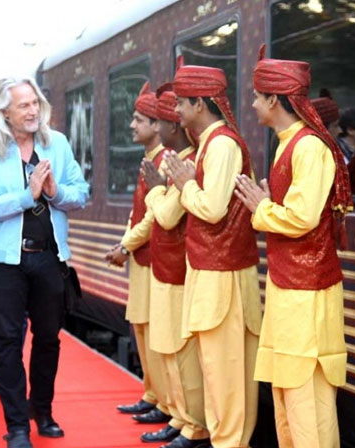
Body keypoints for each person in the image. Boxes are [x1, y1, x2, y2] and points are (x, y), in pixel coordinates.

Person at [234, 45, 352, 448]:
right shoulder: (288, 143)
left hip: (309, 291)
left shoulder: (308, 147)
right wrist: (268, 205)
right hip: (291, 287)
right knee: (287, 395)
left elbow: (302, 218)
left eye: (257, 96)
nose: (252, 104)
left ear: (274, 99)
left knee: (306, 400)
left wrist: (262, 207)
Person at [0, 77, 89, 448]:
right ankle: (17, 425)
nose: (33, 110)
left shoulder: (58, 143)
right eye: (24, 105)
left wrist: (55, 192)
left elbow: (81, 194)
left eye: (35, 103)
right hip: (5, 262)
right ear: (5, 112)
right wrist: (26, 196)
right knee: (7, 342)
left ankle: (43, 411)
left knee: (48, 338)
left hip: (49, 257)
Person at [163, 60, 261, 448]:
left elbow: (213, 208)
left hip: (223, 273)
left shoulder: (221, 145)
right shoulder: (210, 143)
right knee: (216, 371)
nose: (176, 111)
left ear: (200, 104)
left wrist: (185, 185)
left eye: (180, 103)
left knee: (226, 373)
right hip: (212, 270)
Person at [139, 82, 210, 448]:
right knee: (167, 348)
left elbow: (167, 216)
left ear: (170, 127)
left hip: (180, 269)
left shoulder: (188, 162)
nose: (161, 126)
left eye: (161, 120)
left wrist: (155, 189)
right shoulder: (175, 161)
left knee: (182, 353)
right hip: (166, 266)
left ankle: (194, 425)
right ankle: (180, 418)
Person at [108, 82, 173, 426]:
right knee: (142, 329)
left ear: (156, 125)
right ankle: (152, 394)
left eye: (138, 120)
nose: (131, 125)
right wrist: (126, 244)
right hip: (142, 257)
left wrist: (126, 245)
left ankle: (164, 402)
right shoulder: (149, 159)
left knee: (153, 331)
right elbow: (138, 214)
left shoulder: (163, 161)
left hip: (154, 259)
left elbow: (151, 218)